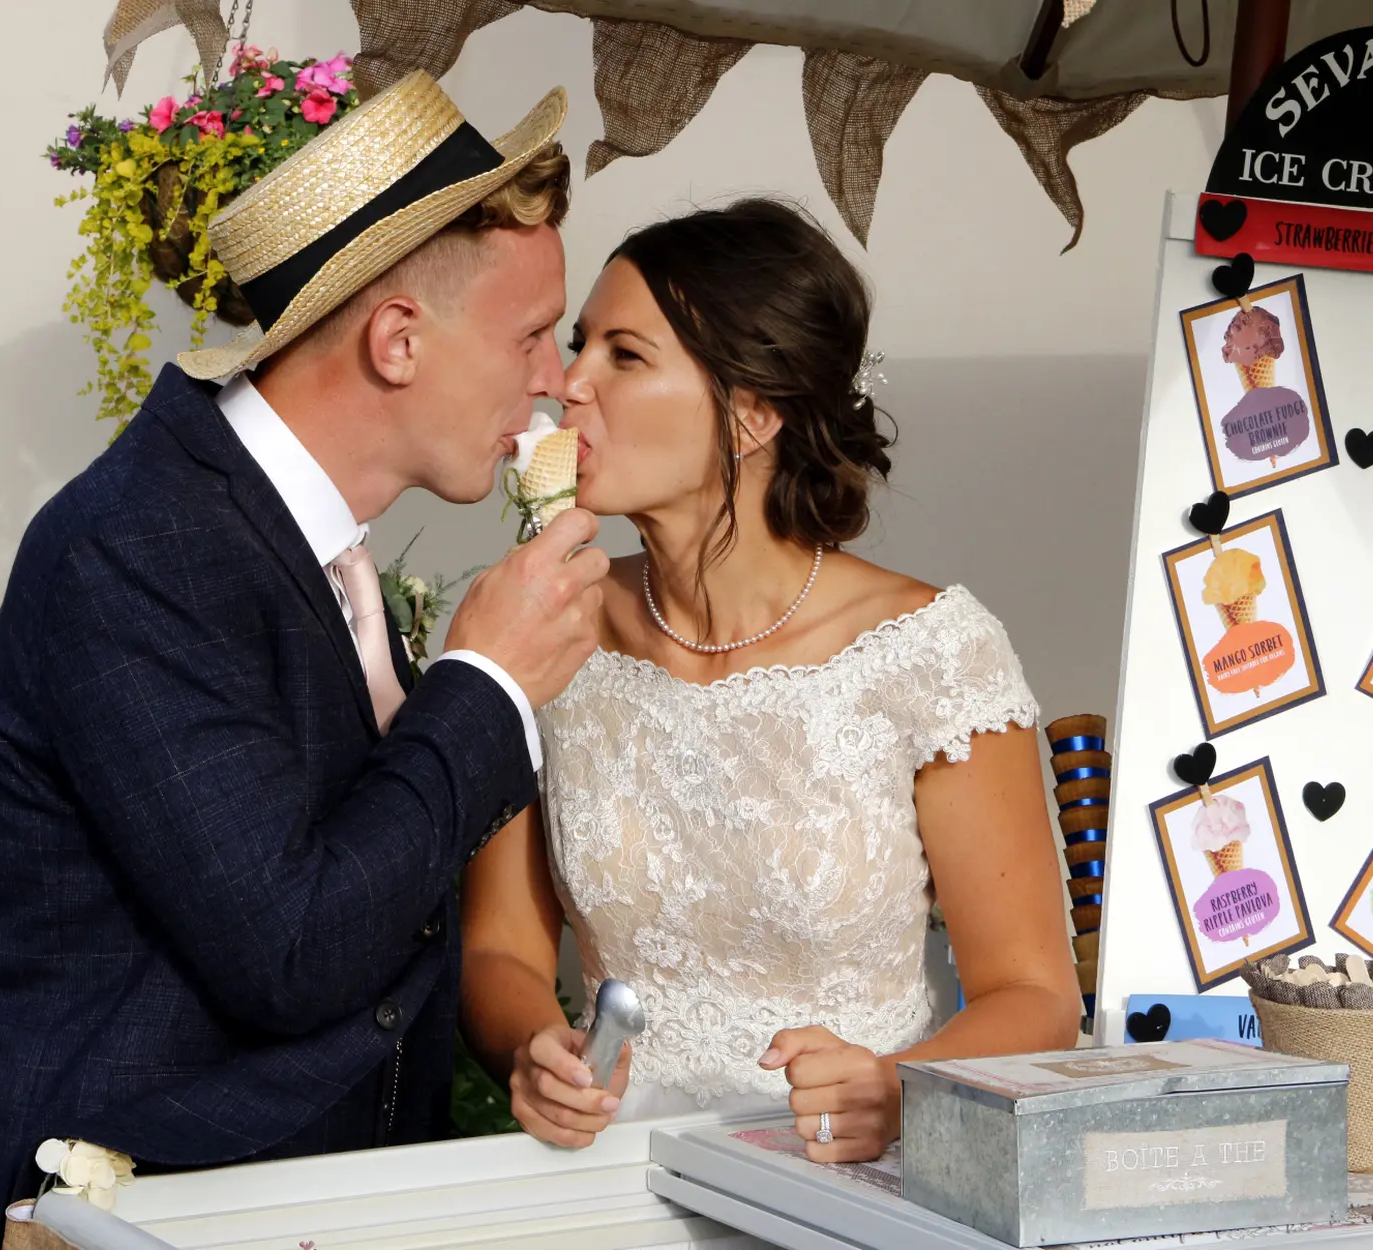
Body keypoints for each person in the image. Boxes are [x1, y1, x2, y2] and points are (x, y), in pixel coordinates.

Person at [0, 73, 608, 1220]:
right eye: (530, 334)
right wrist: (483, 682)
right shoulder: (138, 549)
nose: (556, 382)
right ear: (398, 340)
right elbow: (294, 949)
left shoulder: (320, 553)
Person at [460, 198, 1082, 1164]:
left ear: (751, 414)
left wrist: (898, 1090)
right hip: (611, 1182)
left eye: (623, 356)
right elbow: (500, 948)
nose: (567, 384)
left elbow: (1038, 998)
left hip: (848, 1180)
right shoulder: (545, 632)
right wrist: (531, 1043)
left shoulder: (932, 653)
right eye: (580, 346)